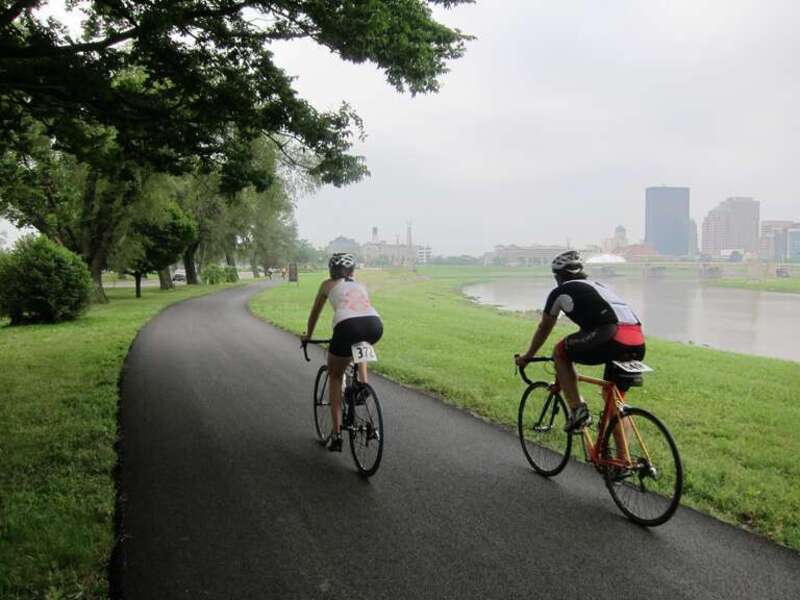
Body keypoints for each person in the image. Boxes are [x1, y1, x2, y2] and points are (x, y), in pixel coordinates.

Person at [515, 250, 645, 432]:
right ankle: (623, 459)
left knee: (560, 351)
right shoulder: (598, 286)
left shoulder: (560, 292)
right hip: (636, 339)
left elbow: (545, 327)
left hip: (610, 335)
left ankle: (578, 410)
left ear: (558, 276)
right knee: (614, 402)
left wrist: (528, 356)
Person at [302, 253, 383, 451]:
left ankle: (337, 434)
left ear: (331, 270)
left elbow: (315, 313)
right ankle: (363, 385)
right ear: (352, 271)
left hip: (347, 326)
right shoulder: (360, 285)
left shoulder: (327, 285)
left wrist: (308, 335)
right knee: (359, 345)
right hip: (374, 325)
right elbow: (361, 310)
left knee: (336, 376)